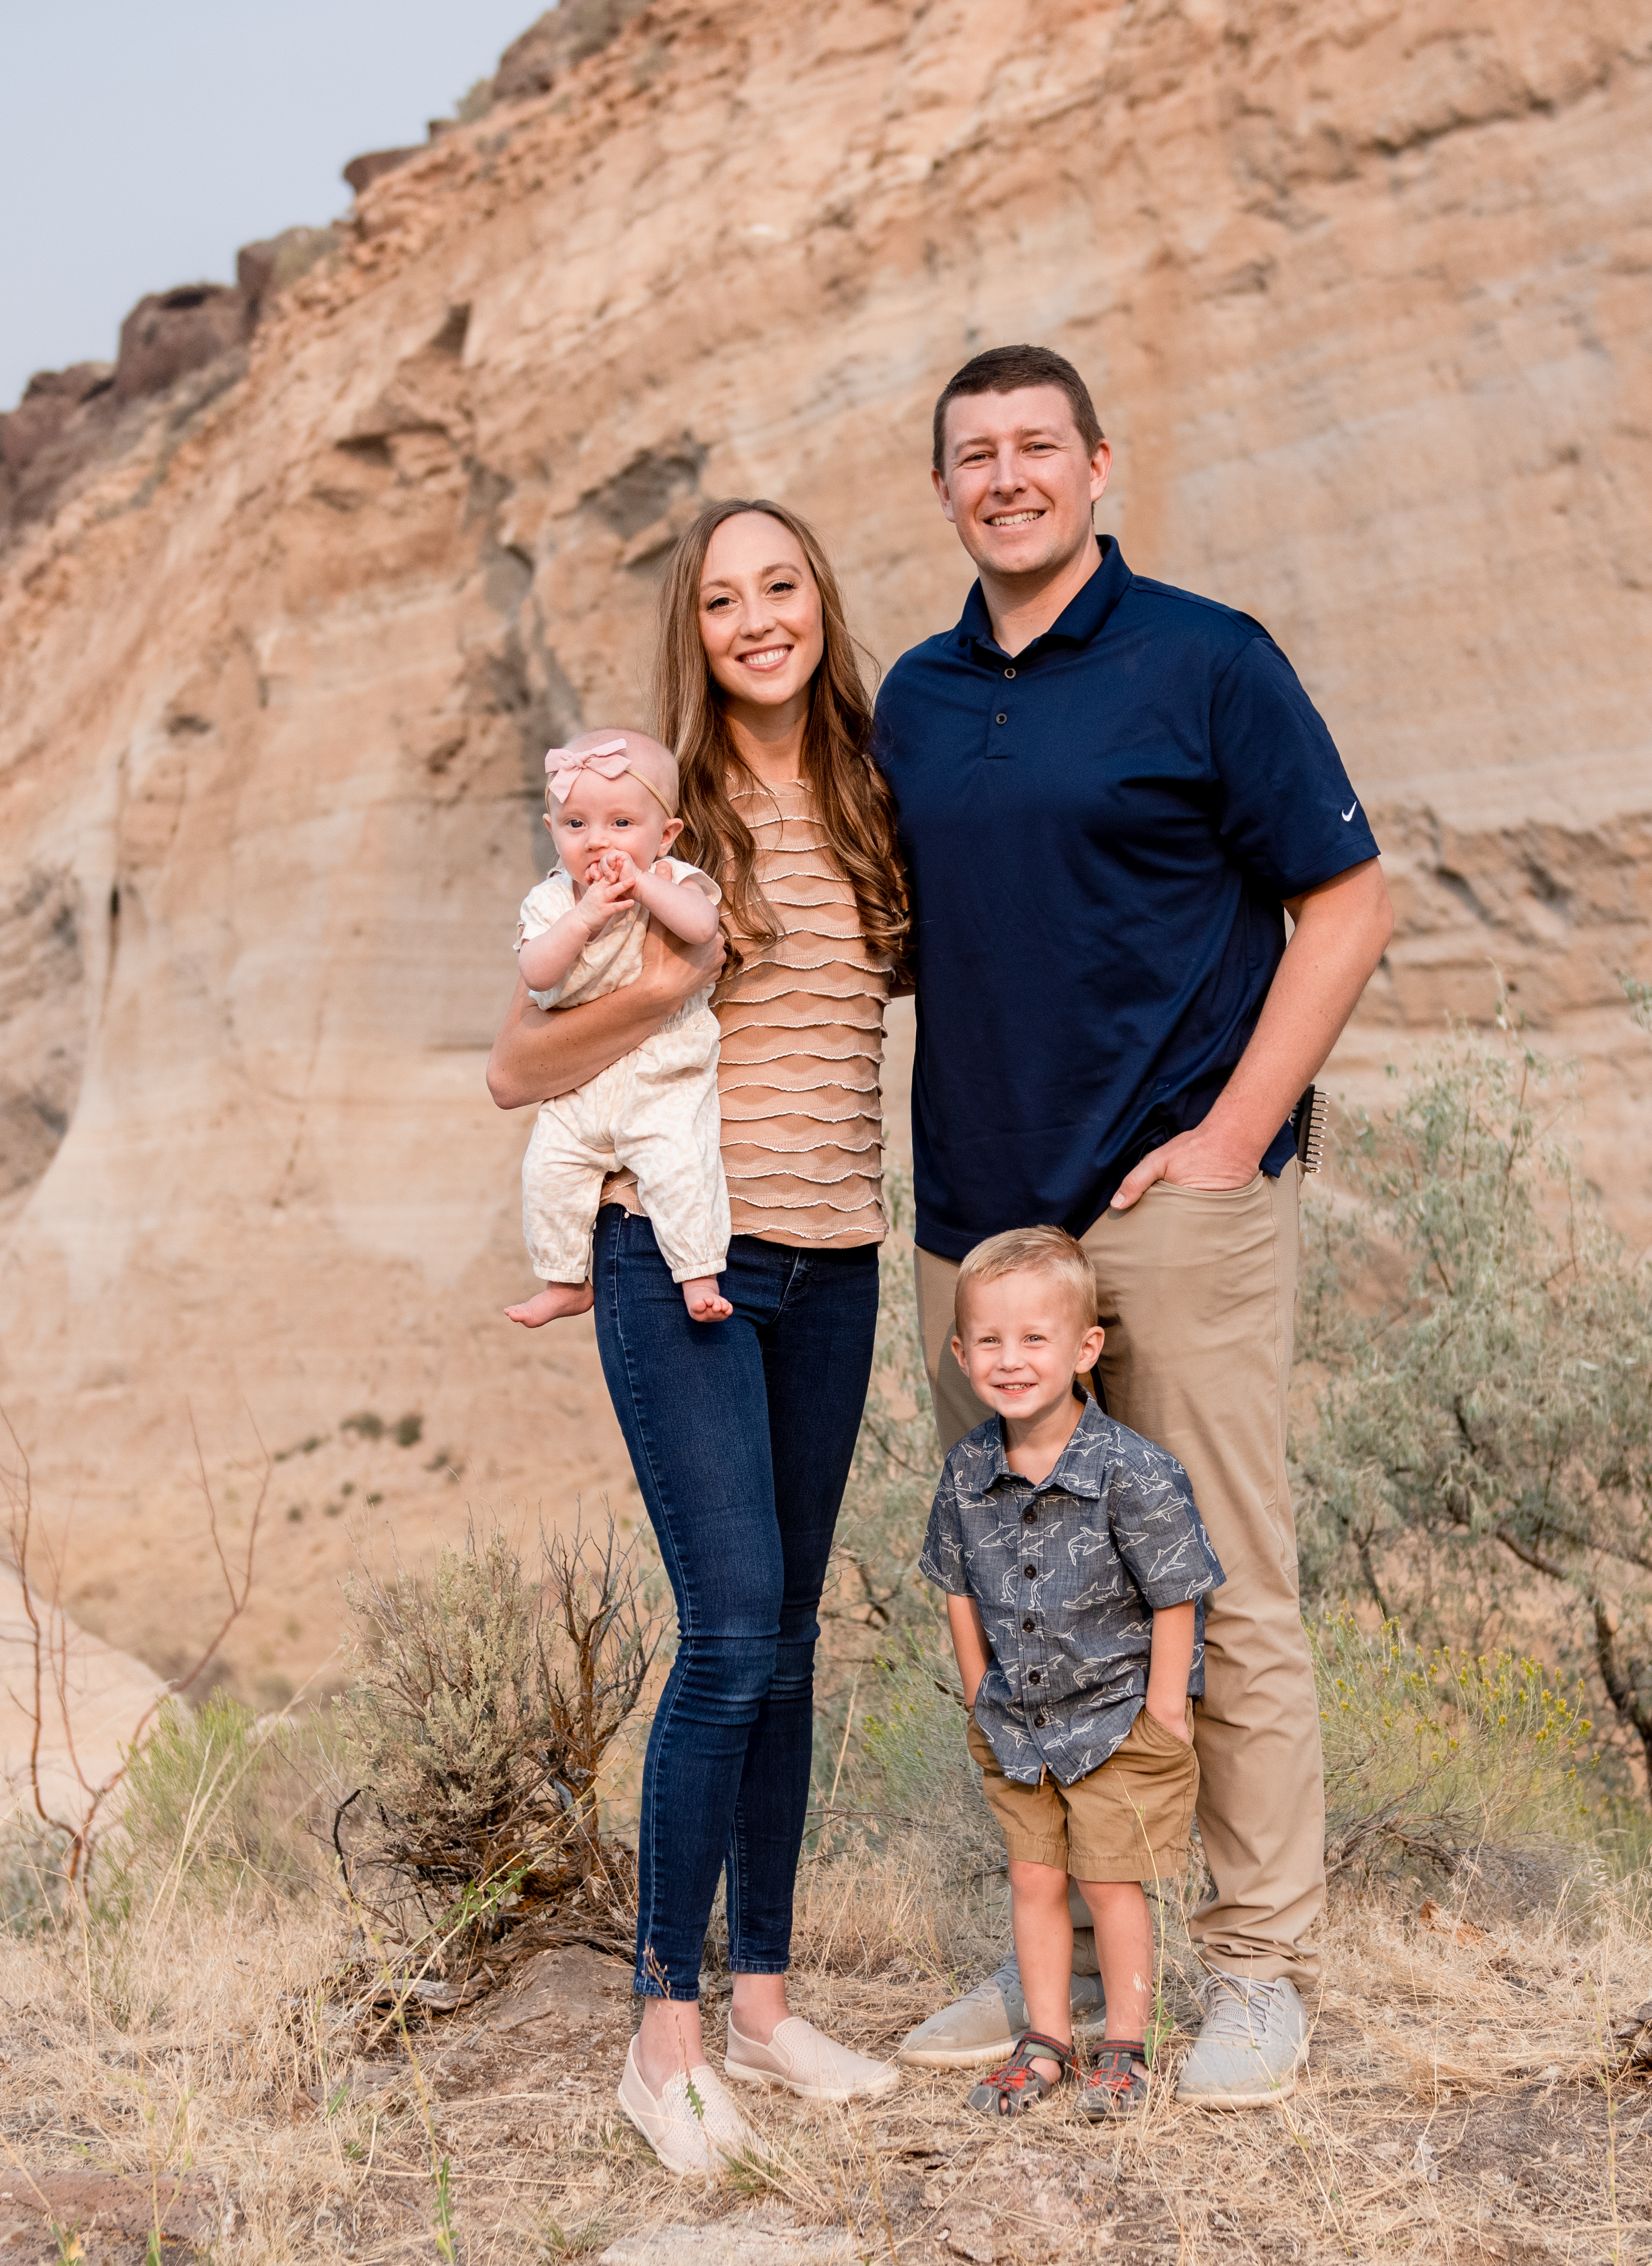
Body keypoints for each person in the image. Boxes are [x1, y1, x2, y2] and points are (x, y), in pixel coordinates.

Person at [875, 344, 1394, 2108]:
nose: (1005, 474)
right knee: (1015, 1600)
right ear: (941, 487)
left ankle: (1254, 1967)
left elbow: (1347, 895)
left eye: (1036, 445)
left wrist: (1234, 1135)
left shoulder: (1205, 659)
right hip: (972, 1229)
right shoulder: (918, 699)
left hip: (1168, 1208)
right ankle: (1059, 1956)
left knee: (1219, 1584)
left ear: (1098, 466)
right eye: (973, 454)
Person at [485, 497, 916, 2173]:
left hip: (840, 1257)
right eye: (722, 597)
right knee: (729, 1627)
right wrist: (664, 993)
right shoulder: (654, 809)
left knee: (792, 1637)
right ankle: (659, 2041)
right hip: (682, 1261)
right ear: (697, 626)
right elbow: (515, 1064)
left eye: (780, 586)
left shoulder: (879, 796)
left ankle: (762, 2000)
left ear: (820, 600)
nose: (755, 618)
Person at [923, 1227, 1219, 2121]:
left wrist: (1165, 1707)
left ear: (1085, 1348)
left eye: (1034, 1339)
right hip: (1017, 1722)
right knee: (1034, 1878)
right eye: (991, 1341)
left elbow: (1177, 1593)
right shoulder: (969, 1468)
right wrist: (978, 1687)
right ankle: (1047, 2041)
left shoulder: (1130, 1470)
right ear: (961, 1350)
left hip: (1116, 1719)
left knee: (1110, 1879)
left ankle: (1126, 2042)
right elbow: (955, 1586)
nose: (1011, 1361)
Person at [503, 728, 732, 1330]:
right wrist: (583, 917)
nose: (598, 841)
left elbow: (701, 926)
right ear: (552, 831)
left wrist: (644, 885)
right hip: (578, 1086)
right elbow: (537, 970)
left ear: (667, 834)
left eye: (621, 824)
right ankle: (562, 1279)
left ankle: (698, 1272)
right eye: (575, 825)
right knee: (548, 1171)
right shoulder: (552, 903)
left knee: (681, 1164)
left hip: (662, 1072)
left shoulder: (670, 879)